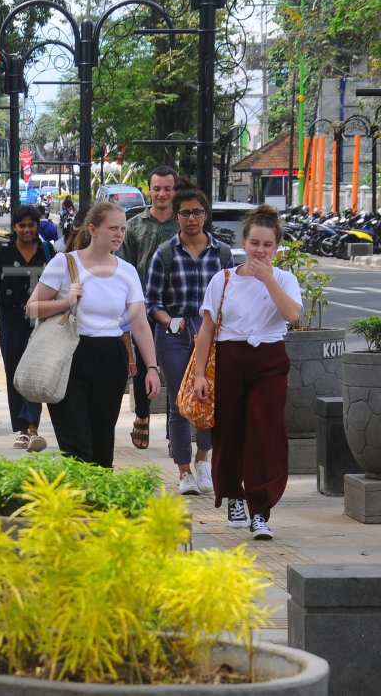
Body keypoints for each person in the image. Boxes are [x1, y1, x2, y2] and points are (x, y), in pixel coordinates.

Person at [190, 205, 302, 541]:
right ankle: (233, 495)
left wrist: (268, 279)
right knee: (229, 432)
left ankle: (260, 510)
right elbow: (207, 330)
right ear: (244, 242)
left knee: (264, 431)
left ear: (277, 248)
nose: (261, 251)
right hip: (230, 357)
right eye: (255, 243)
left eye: (268, 245)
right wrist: (198, 376)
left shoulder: (284, 279)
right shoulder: (223, 280)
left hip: (268, 359)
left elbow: (292, 315)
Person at [28, 201, 161, 468]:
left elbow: (140, 324)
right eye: (112, 228)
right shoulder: (64, 263)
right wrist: (67, 301)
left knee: (102, 442)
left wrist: (152, 367)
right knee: (76, 442)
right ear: (92, 229)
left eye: (122, 229)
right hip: (69, 354)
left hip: (111, 357)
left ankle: (98, 506)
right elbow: (32, 308)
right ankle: (77, 504)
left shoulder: (127, 271)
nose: (119, 234)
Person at [145, 188, 233, 496]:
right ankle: (183, 471)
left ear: (205, 214)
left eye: (197, 212)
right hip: (174, 335)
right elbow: (151, 301)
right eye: (184, 213)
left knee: (207, 396)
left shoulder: (221, 253)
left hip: (211, 334)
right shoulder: (165, 253)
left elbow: (231, 295)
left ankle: (203, 460)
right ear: (176, 216)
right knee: (179, 402)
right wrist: (168, 320)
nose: (191, 218)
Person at [0, 205, 51, 451]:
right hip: (11, 319)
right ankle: (21, 429)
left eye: (31, 225)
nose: (27, 229)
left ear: (37, 226)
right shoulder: (3, 252)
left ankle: (33, 428)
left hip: (41, 319)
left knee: (35, 372)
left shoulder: (47, 251)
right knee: (15, 372)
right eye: (22, 225)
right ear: (15, 227)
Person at [117, 165, 179, 450]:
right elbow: (123, 265)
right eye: (157, 188)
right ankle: (142, 416)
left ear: (174, 191)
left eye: (168, 188)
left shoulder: (183, 223)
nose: (162, 194)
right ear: (149, 190)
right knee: (143, 367)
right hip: (141, 306)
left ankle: (173, 429)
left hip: (175, 307)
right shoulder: (134, 225)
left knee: (176, 368)